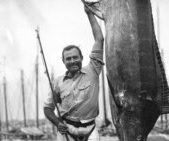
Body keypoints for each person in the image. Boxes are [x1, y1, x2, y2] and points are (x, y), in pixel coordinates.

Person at [43, 3, 104, 141]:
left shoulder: (93, 70)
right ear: (64, 62)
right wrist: (58, 124)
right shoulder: (57, 82)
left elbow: (99, 39)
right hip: (66, 130)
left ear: (82, 58)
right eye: (68, 59)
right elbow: (47, 108)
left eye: (75, 57)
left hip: (90, 130)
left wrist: (90, 15)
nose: (72, 61)